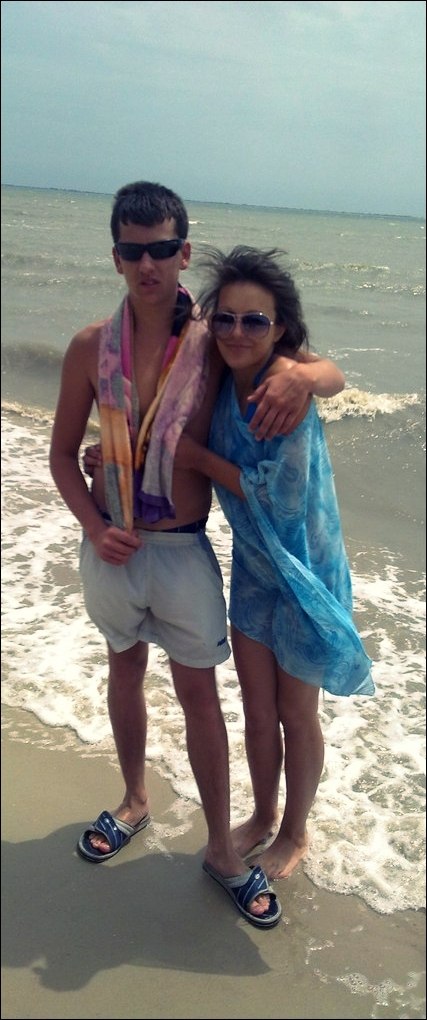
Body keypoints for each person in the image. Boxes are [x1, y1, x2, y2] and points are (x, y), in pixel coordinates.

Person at [49, 181, 345, 928]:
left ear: (183, 253)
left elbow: (321, 370)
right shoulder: (89, 347)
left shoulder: (220, 340)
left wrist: (304, 376)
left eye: (160, 249)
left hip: (184, 546)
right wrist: (93, 524)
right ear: (115, 256)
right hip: (114, 540)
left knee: (201, 696)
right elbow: (61, 456)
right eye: (131, 249)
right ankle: (133, 800)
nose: (146, 264)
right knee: (124, 669)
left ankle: (222, 848)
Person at [173, 244, 375, 883]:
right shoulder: (219, 368)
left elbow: (276, 499)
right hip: (256, 570)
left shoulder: (286, 387)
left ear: (280, 326)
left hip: (305, 571)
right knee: (258, 713)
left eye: (255, 320)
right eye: (226, 318)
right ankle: (262, 814)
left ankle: (295, 830)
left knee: (296, 713)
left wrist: (195, 458)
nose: (237, 331)